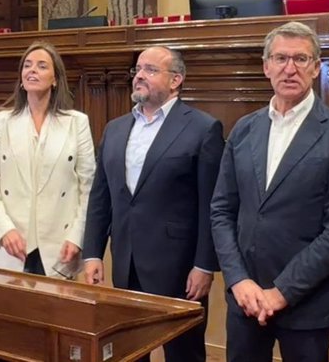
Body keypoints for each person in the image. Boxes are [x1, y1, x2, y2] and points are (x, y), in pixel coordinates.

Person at [211, 21, 329, 362]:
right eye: (280, 58)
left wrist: (281, 292)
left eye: (301, 59)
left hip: (306, 305)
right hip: (245, 300)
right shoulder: (244, 129)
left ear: (316, 68)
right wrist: (238, 280)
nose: (289, 68)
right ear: (266, 66)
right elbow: (222, 210)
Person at [82, 46, 224, 362]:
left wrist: (204, 265)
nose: (140, 76)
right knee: (128, 351)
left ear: (176, 80)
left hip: (179, 267)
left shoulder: (203, 128)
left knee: (183, 354)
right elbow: (100, 197)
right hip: (126, 261)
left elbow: (211, 205)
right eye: (138, 69)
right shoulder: (115, 128)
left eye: (150, 70)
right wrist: (92, 252)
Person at [0, 41, 95, 278]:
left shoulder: (76, 123)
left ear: (55, 78)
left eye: (41, 66)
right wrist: (4, 229)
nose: (32, 70)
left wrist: (77, 236)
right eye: (27, 65)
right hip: (9, 245)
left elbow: (88, 188)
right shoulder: (2, 121)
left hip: (58, 247)